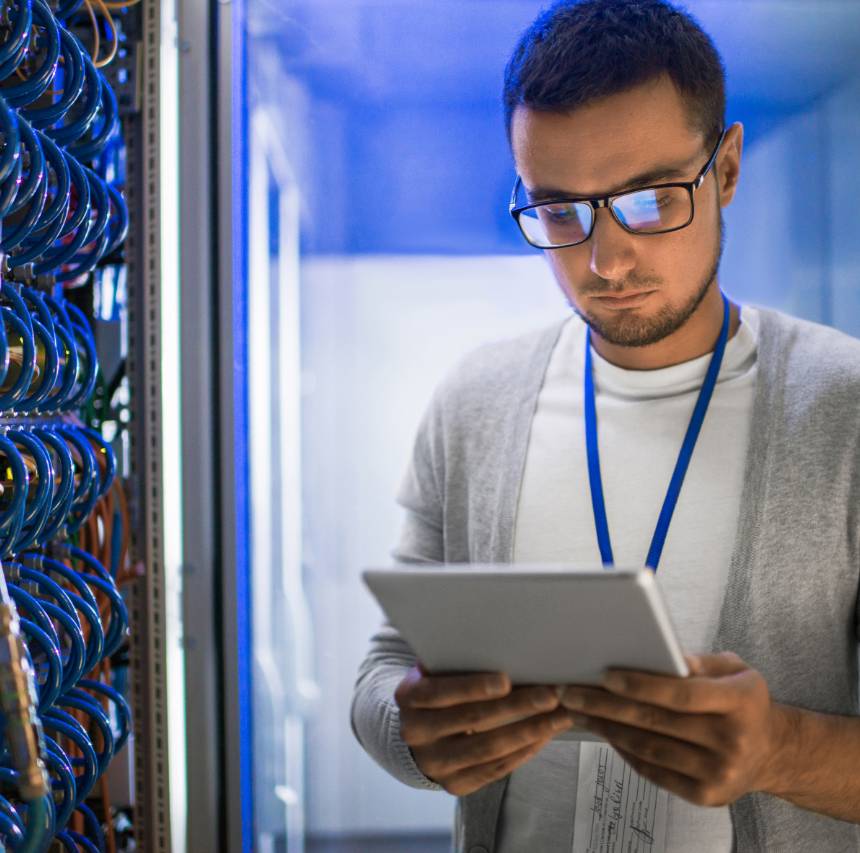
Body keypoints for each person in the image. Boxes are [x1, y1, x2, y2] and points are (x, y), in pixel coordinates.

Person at [350, 1, 860, 850]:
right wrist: (411, 734)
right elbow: (385, 665)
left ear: (725, 169)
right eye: (560, 213)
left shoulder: (845, 405)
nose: (605, 260)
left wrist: (782, 748)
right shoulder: (476, 401)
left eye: (654, 200)